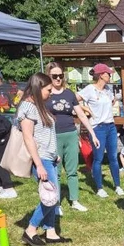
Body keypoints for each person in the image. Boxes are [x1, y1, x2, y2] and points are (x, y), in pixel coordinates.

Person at [18, 73, 70, 246]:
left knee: (52, 195)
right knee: (51, 197)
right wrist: (39, 164)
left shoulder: (40, 106)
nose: (51, 93)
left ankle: (51, 232)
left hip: (50, 158)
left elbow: (44, 134)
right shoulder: (27, 107)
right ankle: (30, 230)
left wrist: (54, 153)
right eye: (48, 90)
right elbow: (28, 138)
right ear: (38, 88)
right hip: (41, 160)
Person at [45, 62, 100, 213]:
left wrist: (92, 134)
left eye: (60, 76)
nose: (57, 79)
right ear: (49, 76)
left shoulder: (69, 94)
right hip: (53, 136)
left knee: (72, 170)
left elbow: (81, 114)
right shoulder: (46, 95)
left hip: (70, 134)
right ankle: (55, 203)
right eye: (54, 76)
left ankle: (74, 200)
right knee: (55, 171)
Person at [77, 63, 124, 198]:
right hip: (98, 128)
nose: (110, 75)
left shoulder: (108, 89)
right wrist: (86, 109)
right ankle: (99, 188)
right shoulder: (90, 89)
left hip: (110, 126)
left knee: (113, 157)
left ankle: (118, 186)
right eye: (108, 73)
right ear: (101, 75)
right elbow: (74, 100)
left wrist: (116, 99)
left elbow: (109, 103)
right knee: (98, 158)